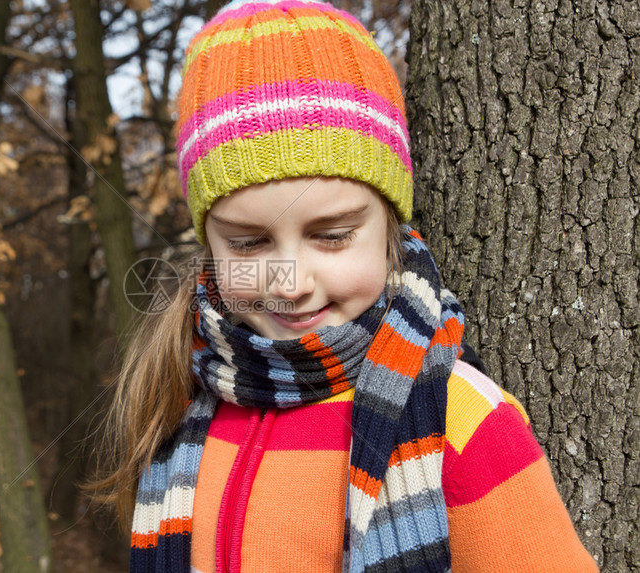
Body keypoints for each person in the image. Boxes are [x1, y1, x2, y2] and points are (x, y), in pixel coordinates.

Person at [90, 1, 599, 571]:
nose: (290, 284)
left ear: (390, 229)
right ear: (207, 242)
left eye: (330, 236)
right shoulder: (180, 408)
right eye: (248, 244)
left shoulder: (460, 423)